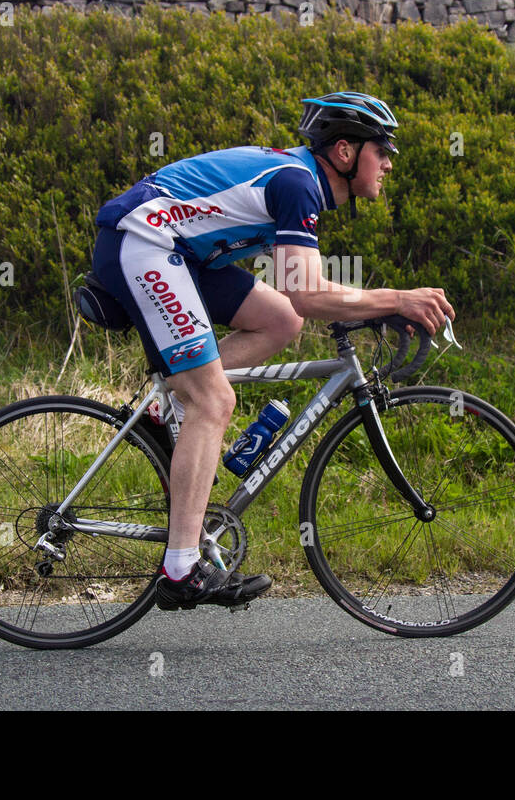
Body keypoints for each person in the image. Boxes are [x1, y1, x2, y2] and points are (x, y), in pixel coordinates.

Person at [91, 91, 455, 610]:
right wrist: (395, 299)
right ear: (347, 153)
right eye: (383, 149)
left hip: (185, 253)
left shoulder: (299, 181)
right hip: (144, 242)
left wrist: (378, 307)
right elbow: (306, 287)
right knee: (214, 400)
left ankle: (166, 404)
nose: (390, 163)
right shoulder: (296, 183)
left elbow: (294, 300)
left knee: (282, 320)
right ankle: (180, 572)